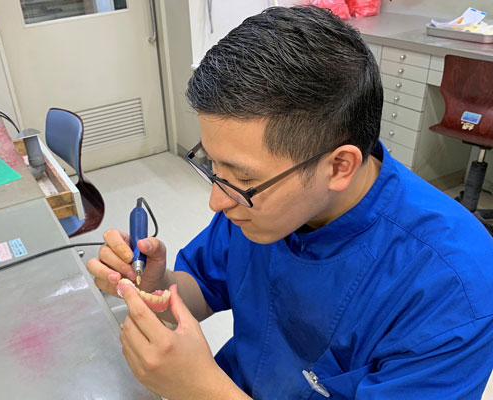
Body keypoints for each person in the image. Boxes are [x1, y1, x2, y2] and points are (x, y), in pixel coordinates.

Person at [87, 5, 493, 399]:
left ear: (339, 166)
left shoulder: (453, 287)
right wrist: (157, 285)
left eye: (244, 178)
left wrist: (201, 390)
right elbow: (203, 288)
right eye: (213, 166)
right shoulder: (252, 202)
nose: (216, 201)